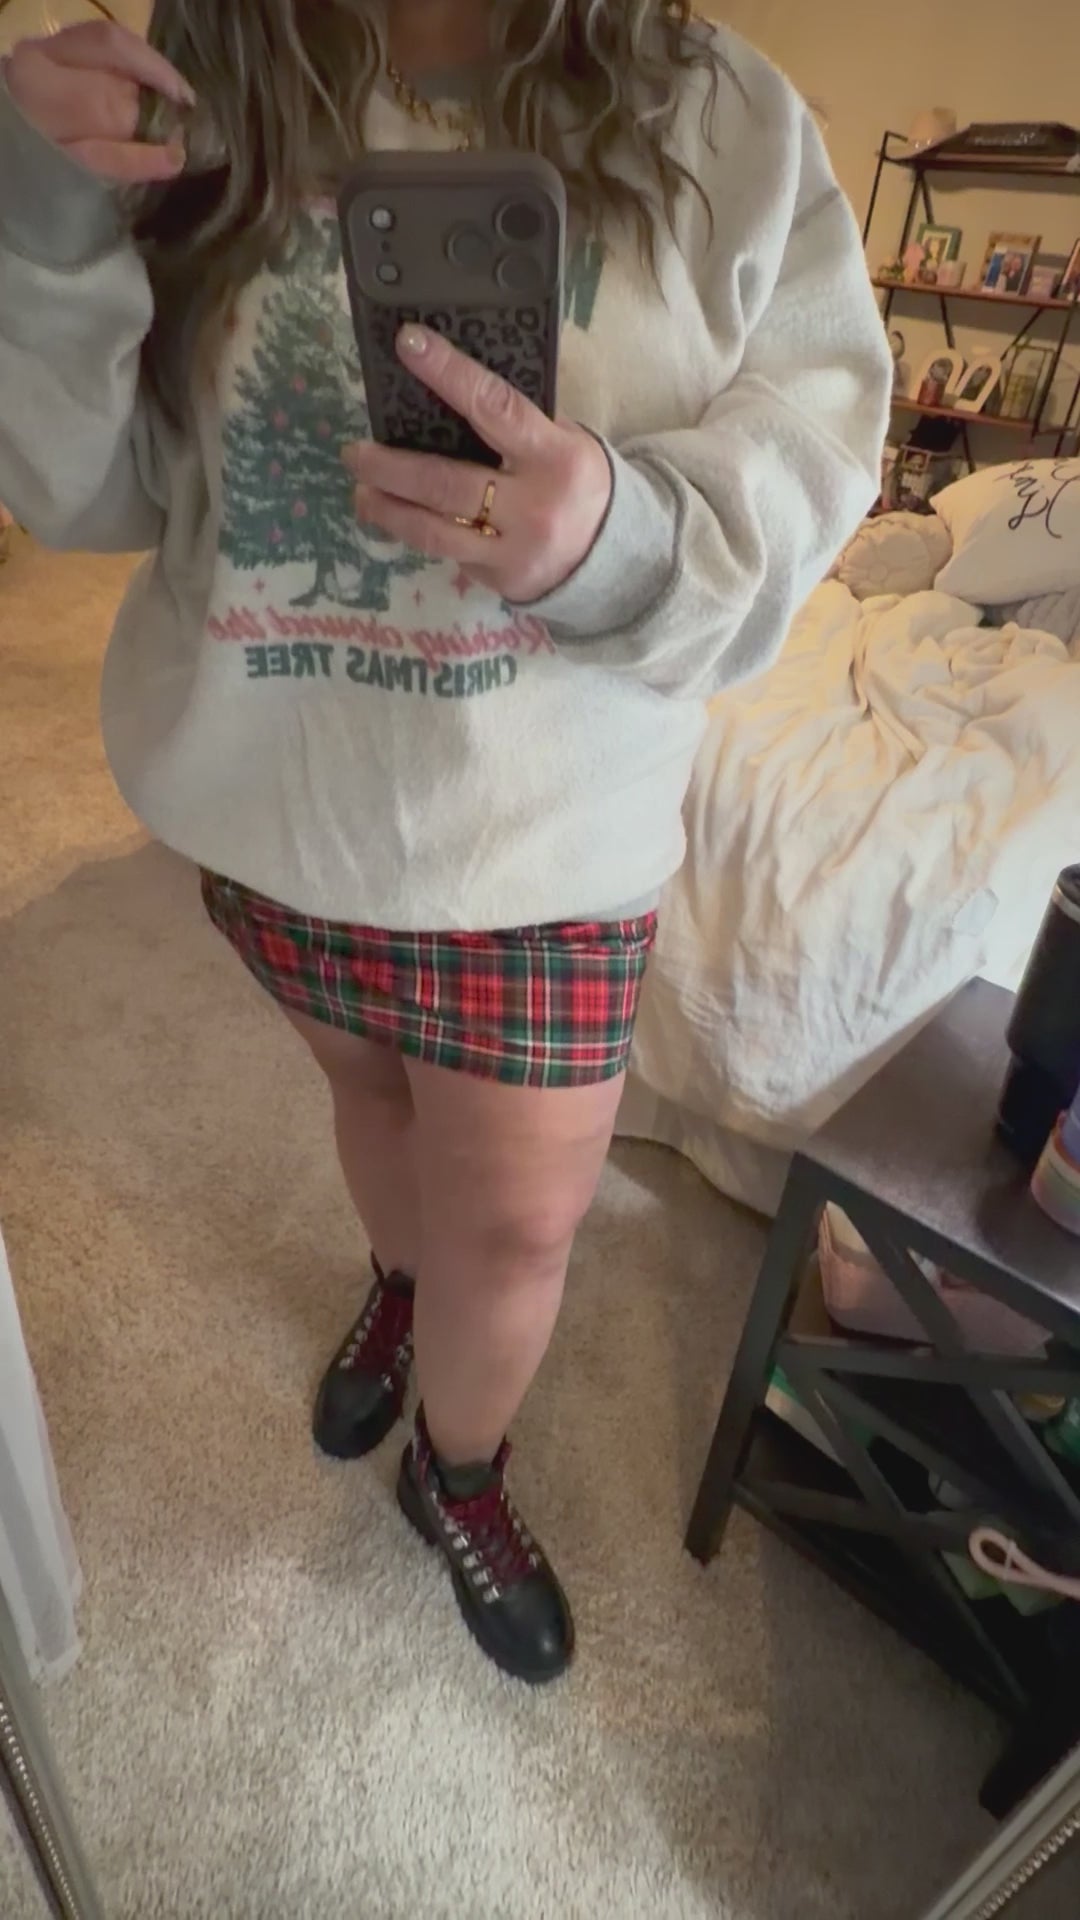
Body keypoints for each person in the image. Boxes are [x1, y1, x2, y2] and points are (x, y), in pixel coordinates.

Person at [0, 2, 890, 1686]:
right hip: (279, 809)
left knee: (526, 1228)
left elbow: (818, 445)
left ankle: (456, 1475)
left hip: (547, 841)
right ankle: (398, 1281)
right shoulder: (201, 76)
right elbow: (93, 494)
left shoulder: (730, 120)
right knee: (377, 1100)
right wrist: (36, 224)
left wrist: (621, 536)